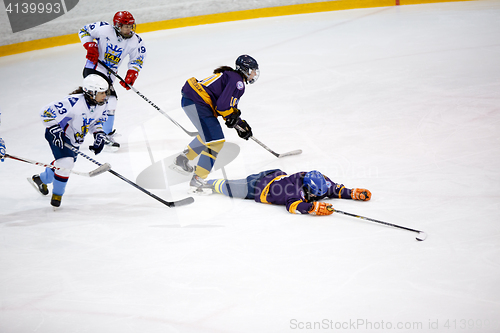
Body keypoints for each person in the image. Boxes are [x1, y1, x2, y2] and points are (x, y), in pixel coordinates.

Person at [170, 54, 259, 194]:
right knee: (216, 141)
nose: (254, 73)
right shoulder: (238, 82)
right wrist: (238, 123)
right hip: (199, 102)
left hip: (190, 99)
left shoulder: (231, 76)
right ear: (245, 69)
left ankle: (182, 159)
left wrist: (238, 123)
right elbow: (223, 107)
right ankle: (197, 181)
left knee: (209, 136)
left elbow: (226, 109)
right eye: (253, 70)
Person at [28, 75, 110, 208]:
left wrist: (98, 133)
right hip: (58, 134)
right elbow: (45, 113)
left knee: (63, 165)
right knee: (66, 163)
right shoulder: (73, 102)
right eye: (101, 92)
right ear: (91, 92)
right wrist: (55, 129)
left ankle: (40, 179)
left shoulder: (102, 105)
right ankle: (57, 196)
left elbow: (96, 122)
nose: (105, 95)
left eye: (105, 92)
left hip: (74, 139)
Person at [78, 10, 147, 148]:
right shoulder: (104, 29)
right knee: (111, 99)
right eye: (126, 26)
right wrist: (89, 45)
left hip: (109, 75)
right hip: (94, 68)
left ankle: (76, 126)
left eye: (131, 26)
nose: (129, 29)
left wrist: (132, 73)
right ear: (117, 25)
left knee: (94, 102)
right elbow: (84, 30)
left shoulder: (136, 41)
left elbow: (137, 59)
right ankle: (105, 135)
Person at [206, 169, 371, 215]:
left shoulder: (319, 181)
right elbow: (292, 205)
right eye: (313, 194)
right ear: (307, 188)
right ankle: (207, 184)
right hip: (257, 187)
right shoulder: (293, 189)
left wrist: (353, 193)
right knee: (230, 187)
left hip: (275, 174)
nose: (316, 197)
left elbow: (334, 189)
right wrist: (311, 208)